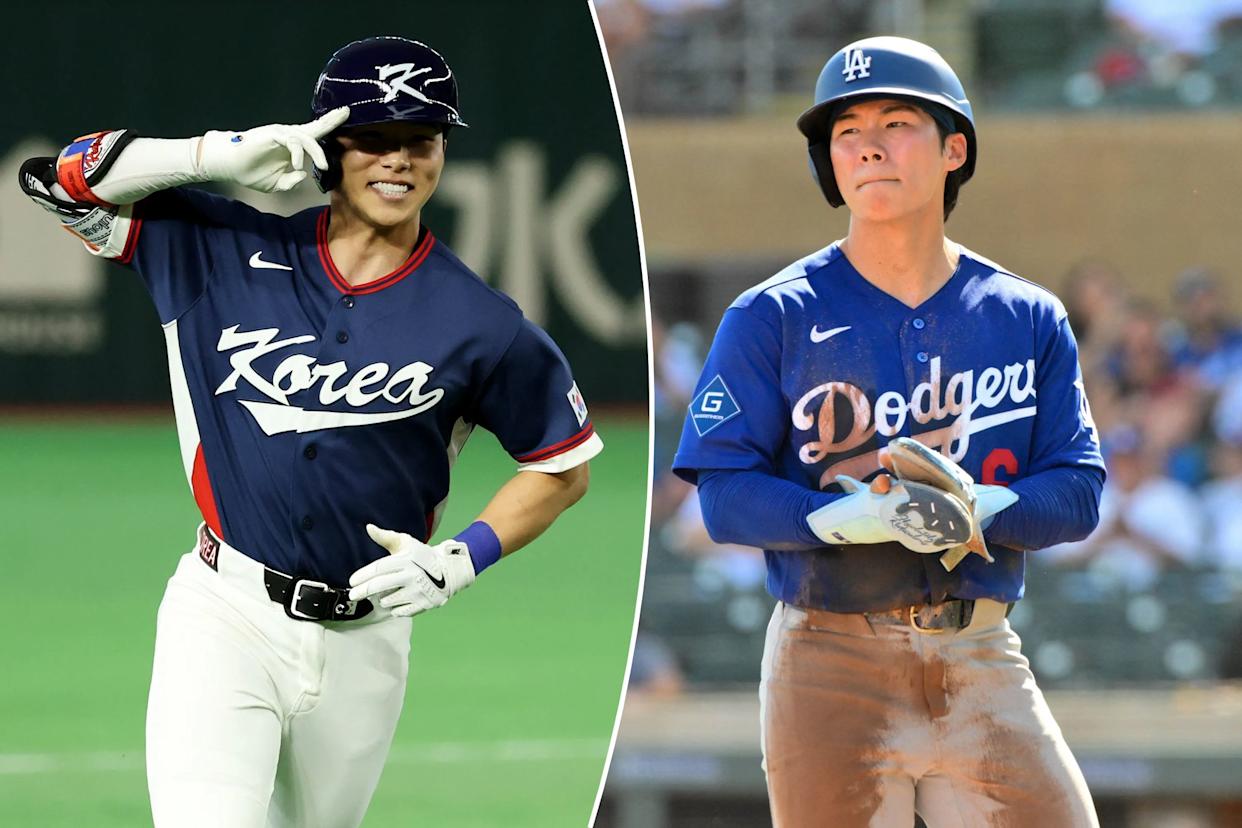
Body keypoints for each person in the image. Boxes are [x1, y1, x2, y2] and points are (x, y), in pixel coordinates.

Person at [19, 36, 601, 827]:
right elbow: (57, 183)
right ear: (326, 145)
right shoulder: (215, 249)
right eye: (372, 138)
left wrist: (464, 558)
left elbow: (563, 467)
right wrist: (218, 153)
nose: (399, 161)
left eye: (420, 141)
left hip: (368, 640)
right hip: (224, 615)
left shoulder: (482, 322)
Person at [672, 36, 1105, 827]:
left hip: (981, 652)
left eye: (898, 121)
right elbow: (724, 495)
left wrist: (983, 506)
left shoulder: (1027, 314)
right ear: (829, 163)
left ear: (954, 148)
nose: (868, 143)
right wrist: (842, 519)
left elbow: (1079, 491)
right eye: (846, 130)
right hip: (827, 659)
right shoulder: (772, 314)